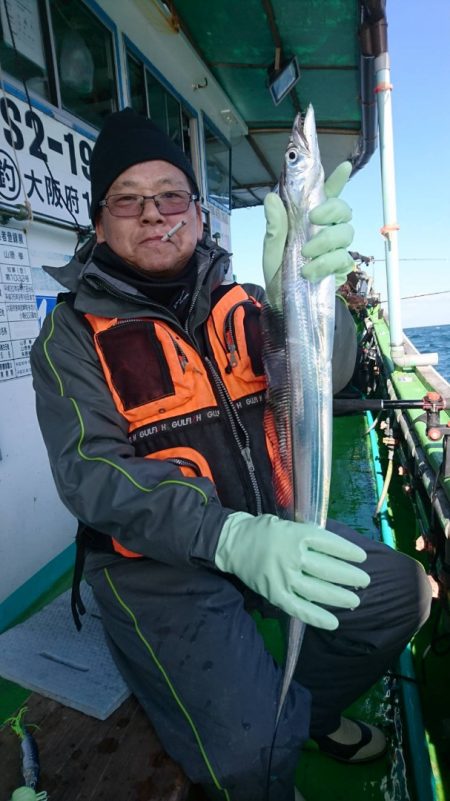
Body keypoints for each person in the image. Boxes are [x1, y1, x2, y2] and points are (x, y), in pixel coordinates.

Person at [31, 109, 431, 801]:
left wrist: (304, 296)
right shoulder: (68, 338)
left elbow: (323, 377)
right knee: (249, 753)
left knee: (404, 595)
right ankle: (269, 743)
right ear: (100, 223)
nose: (154, 214)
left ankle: (310, 711)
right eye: (127, 200)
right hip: (158, 564)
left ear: (197, 212)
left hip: (267, 523)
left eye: (171, 195)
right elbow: (92, 476)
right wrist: (229, 537)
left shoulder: (245, 301)